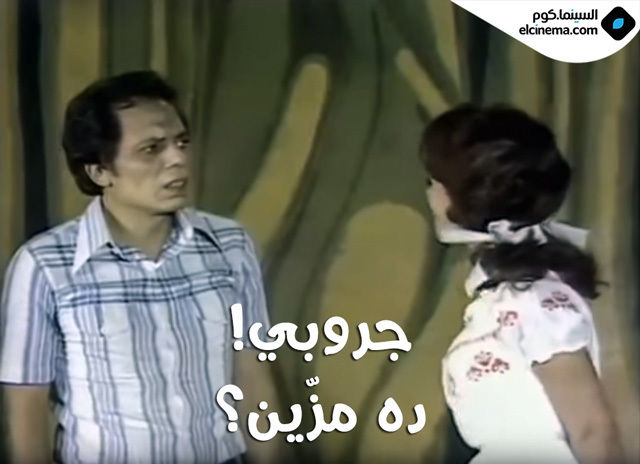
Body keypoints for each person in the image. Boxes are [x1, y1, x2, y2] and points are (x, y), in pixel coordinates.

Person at [0, 71, 276, 464]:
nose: (177, 159)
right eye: (151, 149)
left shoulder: (231, 246)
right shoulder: (45, 267)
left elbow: (253, 376)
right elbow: (27, 408)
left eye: (182, 142)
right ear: (99, 171)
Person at [420, 104, 625, 464]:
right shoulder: (504, 298)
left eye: (435, 180)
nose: (430, 191)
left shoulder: (534, 299)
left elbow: (593, 430)